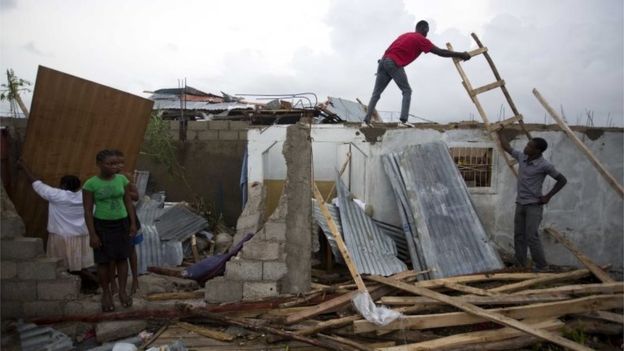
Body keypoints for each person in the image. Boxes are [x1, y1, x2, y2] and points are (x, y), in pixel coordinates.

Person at [363, 20, 471, 127]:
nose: (427, 33)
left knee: (376, 94)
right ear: (423, 28)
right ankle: (403, 121)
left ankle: (366, 122)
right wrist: (462, 54)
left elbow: (390, 48)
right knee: (407, 90)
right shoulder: (421, 39)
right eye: (427, 30)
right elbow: (441, 52)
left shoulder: (405, 35)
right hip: (394, 63)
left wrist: (382, 65)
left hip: (383, 62)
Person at [497, 130, 567, 272]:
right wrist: (500, 132)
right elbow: (507, 148)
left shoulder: (544, 165)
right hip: (520, 203)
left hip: (534, 205)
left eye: (529, 146)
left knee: (531, 236)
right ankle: (520, 264)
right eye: (527, 145)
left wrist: (548, 196)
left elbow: (562, 180)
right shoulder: (522, 157)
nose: (526, 147)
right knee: (519, 235)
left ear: (537, 150)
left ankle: (542, 266)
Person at [17, 159, 95, 273]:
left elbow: (36, 183)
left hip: (60, 237)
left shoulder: (56, 195)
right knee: (80, 265)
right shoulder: (85, 196)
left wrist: (23, 166)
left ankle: (71, 282)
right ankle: (87, 282)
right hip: (82, 236)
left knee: (60, 267)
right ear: (79, 186)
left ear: (62, 185)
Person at [83, 149, 137, 312]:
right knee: (103, 261)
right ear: (99, 164)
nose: (115, 166)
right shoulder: (91, 184)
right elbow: (87, 211)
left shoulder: (122, 180)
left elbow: (128, 202)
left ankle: (121, 291)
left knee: (122, 258)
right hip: (102, 225)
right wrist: (92, 234)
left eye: (117, 163)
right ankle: (106, 293)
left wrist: (132, 223)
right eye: (110, 163)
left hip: (122, 223)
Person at [110, 149, 142, 295]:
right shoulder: (102, 180)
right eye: (115, 163)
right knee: (111, 253)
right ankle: (114, 284)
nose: (118, 166)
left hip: (129, 218)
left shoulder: (126, 177)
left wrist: (122, 191)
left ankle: (135, 280)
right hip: (110, 219)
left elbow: (136, 196)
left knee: (130, 250)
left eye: (121, 163)